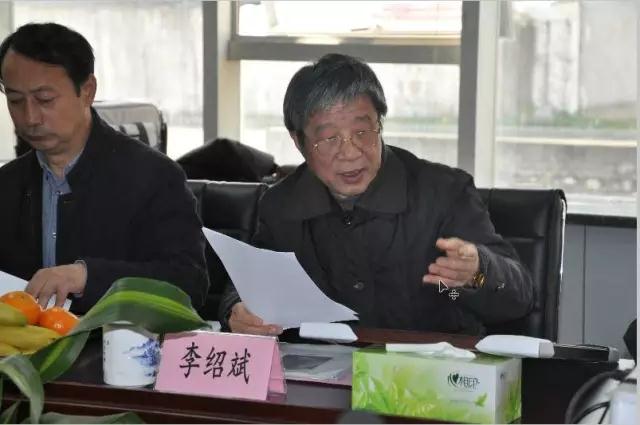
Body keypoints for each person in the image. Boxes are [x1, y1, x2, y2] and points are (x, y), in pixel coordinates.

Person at [220, 53, 534, 336]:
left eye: (362, 132)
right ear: (298, 141)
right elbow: (250, 281)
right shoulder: (281, 205)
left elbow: (518, 297)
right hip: (325, 370)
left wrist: (478, 273)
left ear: (380, 124)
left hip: (434, 369)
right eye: (329, 139)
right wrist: (237, 309)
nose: (350, 152)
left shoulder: (444, 193)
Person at [0, 23, 209, 312]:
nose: (30, 117)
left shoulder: (153, 176)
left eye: (45, 100)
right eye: (15, 101)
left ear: (87, 91)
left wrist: (86, 277)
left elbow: (188, 283)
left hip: (116, 340)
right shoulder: (7, 184)